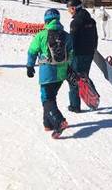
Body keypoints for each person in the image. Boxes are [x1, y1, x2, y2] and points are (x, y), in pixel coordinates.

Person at [26, 9, 73, 138]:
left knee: (47, 99)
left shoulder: (41, 35)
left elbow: (32, 52)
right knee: (50, 97)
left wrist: (30, 66)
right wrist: (69, 68)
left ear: (46, 20)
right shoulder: (66, 36)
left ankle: (59, 121)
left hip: (47, 73)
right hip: (61, 74)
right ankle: (47, 123)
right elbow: (71, 54)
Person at [66, 0, 98, 113]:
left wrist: (68, 54)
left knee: (74, 79)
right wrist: (93, 50)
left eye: (69, 9)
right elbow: (95, 38)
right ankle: (93, 95)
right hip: (89, 54)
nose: (69, 11)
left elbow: (72, 41)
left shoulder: (75, 22)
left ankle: (75, 105)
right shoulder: (91, 21)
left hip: (77, 55)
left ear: (74, 8)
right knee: (84, 76)